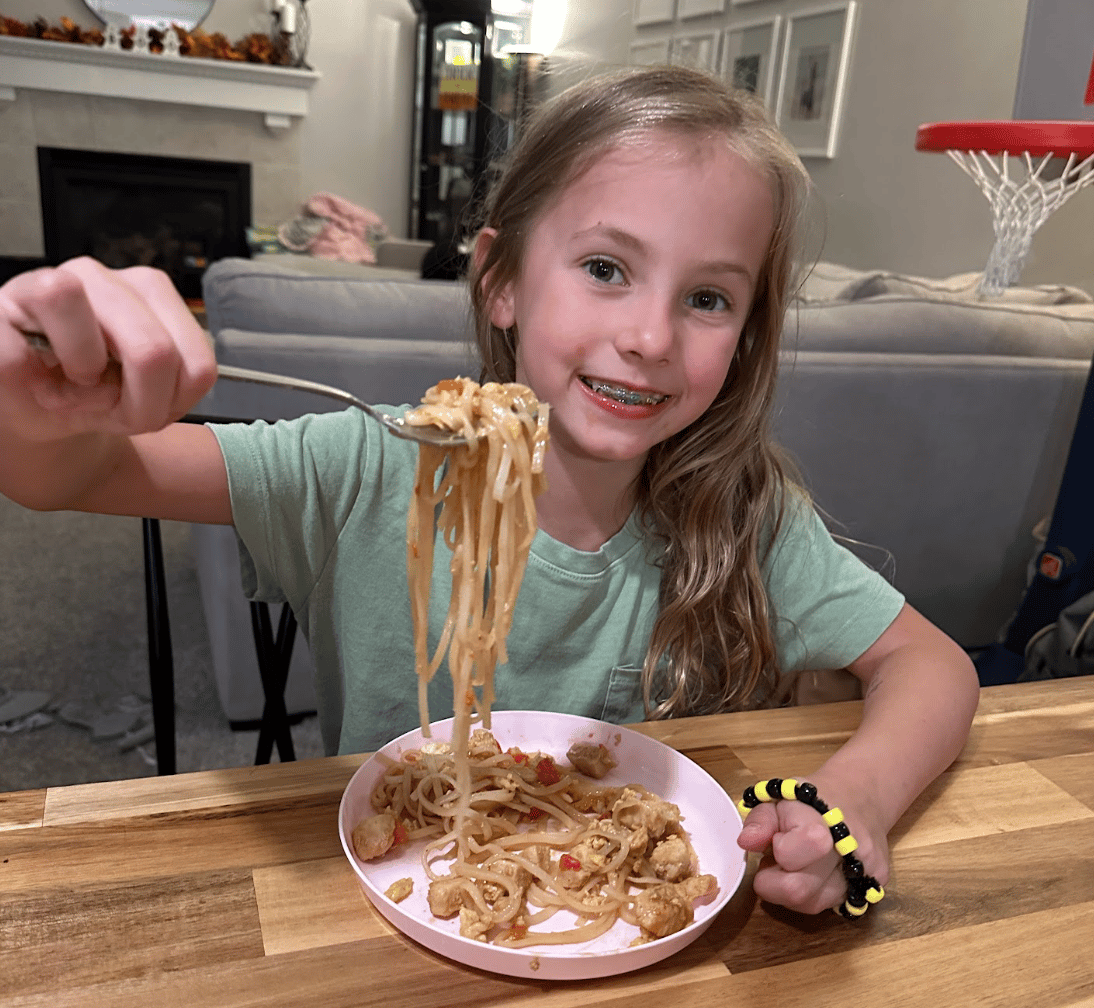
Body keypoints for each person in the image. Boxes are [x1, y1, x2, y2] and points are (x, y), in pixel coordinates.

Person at [0, 65, 978, 917]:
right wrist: (38, 401)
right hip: (392, 905)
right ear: (500, 282)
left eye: (707, 298)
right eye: (605, 268)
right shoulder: (367, 465)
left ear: (747, 334)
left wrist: (853, 799)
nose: (650, 336)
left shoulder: (740, 511)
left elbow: (932, 667)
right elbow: (69, 476)